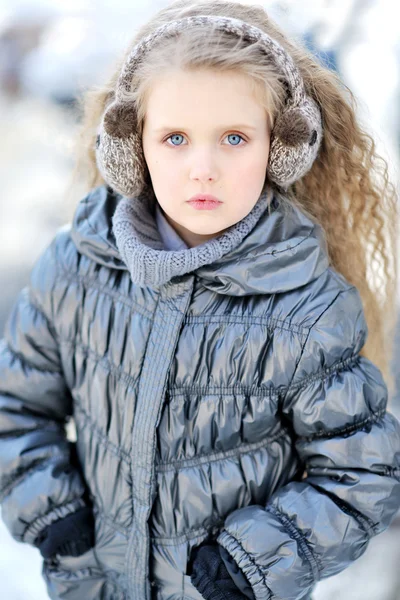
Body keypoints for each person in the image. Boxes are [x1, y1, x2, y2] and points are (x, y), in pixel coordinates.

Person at [1, 1, 400, 599]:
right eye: (176, 138)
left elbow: (360, 472)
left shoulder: (306, 310)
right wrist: (50, 507)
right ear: (133, 144)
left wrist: (254, 562)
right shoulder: (77, 266)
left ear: (281, 146)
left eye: (234, 138)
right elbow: (16, 403)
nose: (203, 168)